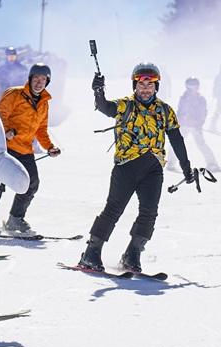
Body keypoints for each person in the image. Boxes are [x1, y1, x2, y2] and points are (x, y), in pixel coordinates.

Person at [78, 63, 197, 273]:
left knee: (149, 213)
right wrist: (98, 91)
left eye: (150, 84)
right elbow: (105, 107)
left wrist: (186, 168)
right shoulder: (126, 105)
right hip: (126, 167)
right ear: (135, 85)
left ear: (156, 86)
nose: (145, 88)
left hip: (153, 169)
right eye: (141, 84)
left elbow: (177, 139)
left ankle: (132, 254)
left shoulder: (164, 110)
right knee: (113, 210)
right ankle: (91, 253)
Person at [0, 63, 61, 236]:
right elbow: (0, 114)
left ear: (47, 82)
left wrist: (49, 147)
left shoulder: (44, 103)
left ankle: (15, 219)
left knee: (31, 184)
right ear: (30, 79)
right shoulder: (15, 93)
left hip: (25, 149)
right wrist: (6, 132)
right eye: (36, 78)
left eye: (43, 79)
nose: (39, 82)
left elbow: (41, 129)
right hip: (5, 147)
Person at [171, 78, 220, 173]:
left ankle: (212, 163)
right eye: (190, 86)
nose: (192, 89)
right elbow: (179, 111)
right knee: (177, 143)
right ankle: (170, 163)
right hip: (183, 125)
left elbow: (203, 113)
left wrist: (199, 124)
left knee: (201, 144)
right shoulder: (183, 98)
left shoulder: (200, 99)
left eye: (194, 86)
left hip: (195, 126)